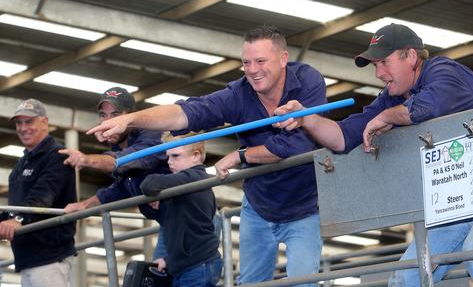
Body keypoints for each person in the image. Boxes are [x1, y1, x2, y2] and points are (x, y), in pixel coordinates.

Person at [274, 23, 473, 286]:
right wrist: (306, 119)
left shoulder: (444, 71)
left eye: (384, 62)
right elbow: (343, 137)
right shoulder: (393, 96)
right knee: (406, 278)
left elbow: (428, 106)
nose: (379, 73)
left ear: (411, 56)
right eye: (375, 65)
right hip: (461, 200)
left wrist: (388, 116)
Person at [87, 25, 327, 286]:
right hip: (258, 207)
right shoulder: (238, 94)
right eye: (246, 62)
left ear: (283, 59)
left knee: (304, 283)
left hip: (304, 207)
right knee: (250, 284)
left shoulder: (307, 82)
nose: (253, 70)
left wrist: (240, 156)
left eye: (260, 61)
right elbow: (187, 112)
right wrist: (132, 120)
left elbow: (297, 146)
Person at [60, 87, 170, 258]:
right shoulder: (121, 143)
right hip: (171, 222)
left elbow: (125, 161)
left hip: (189, 218)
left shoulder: (152, 134)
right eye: (103, 115)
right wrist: (85, 205)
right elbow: (122, 188)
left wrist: (87, 160)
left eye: (115, 115)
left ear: (130, 116)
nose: (107, 122)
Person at [0, 99, 76, 287]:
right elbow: (14, 209)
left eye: (29, 121)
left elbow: (43, 197)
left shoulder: (57, 156)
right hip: (28, 259)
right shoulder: (21, 165)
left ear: (44, 122)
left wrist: (17, 220)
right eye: (19, 123)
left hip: (49, 258)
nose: (23, 128)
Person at [140, 132, 222, 287]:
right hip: (187, 266)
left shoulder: (195, 177)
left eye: (175, 156)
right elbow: (155, 213)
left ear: (196, 156)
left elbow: (148, 184)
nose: (169, 162)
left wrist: (154, 192)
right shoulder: (178, 188)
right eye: (168, 157)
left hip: (198, 265)